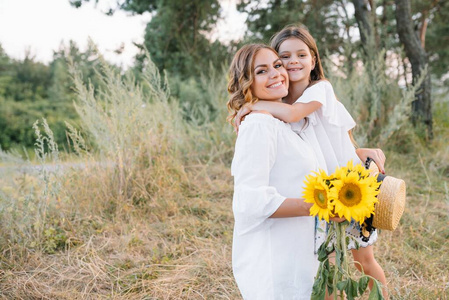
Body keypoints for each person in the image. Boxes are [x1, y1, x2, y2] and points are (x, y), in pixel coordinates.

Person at [234, 25, 388, 298]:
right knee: (328, 261)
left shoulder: (318, 91)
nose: (293, 62)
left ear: (314, 60)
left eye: (301, 55)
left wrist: (251, 105)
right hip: (323, 195)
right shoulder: (279, 105)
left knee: (362, 259)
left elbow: (311, 122)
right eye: (285, 57)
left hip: (349, 187)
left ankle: (383, 296)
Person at [228, 43, 343, 299]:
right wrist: (314, 205)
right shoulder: (258, 125)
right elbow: (249, 200)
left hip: (301, 254)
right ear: (247, 81)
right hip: (276, 262)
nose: (276, 74)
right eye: (261, 71)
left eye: (277, 65)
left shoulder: (284, 123)